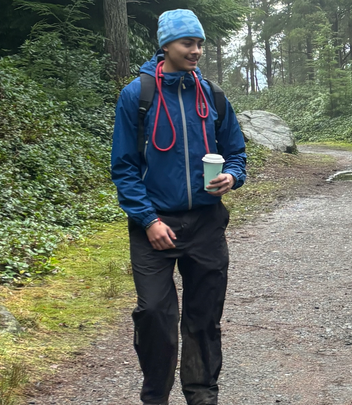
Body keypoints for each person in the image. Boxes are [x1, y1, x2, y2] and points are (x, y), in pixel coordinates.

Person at [110, 9, 246, 405]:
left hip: (206, 222)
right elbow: (124, 167)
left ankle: (202, 395)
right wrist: (148, 220)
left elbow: (236, 153)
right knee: (155, 314)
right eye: (188, 43)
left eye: (200, 43)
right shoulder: (137, 96)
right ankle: (155, 397)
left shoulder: (213, 94)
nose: (197, 50)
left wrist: (232, 176)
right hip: (153, 224)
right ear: (166, 45)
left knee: (204, 317)